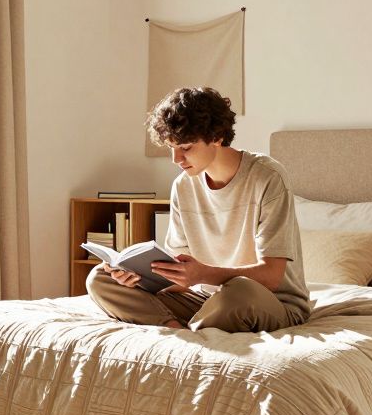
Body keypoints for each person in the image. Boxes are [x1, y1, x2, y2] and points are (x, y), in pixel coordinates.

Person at [86, 87, 309, 333]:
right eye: (171, 147)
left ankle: (190, 330)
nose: (176, 158)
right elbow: (180, 281)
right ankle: (176, 329)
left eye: (186, 147)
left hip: (268, 300)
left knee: (240, 291)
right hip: (204, 300)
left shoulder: (267, 177)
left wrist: (203, 274)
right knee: (100, 278)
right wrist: (137, 279)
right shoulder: (183, 186)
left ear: (217, 136)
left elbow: (271, 276)